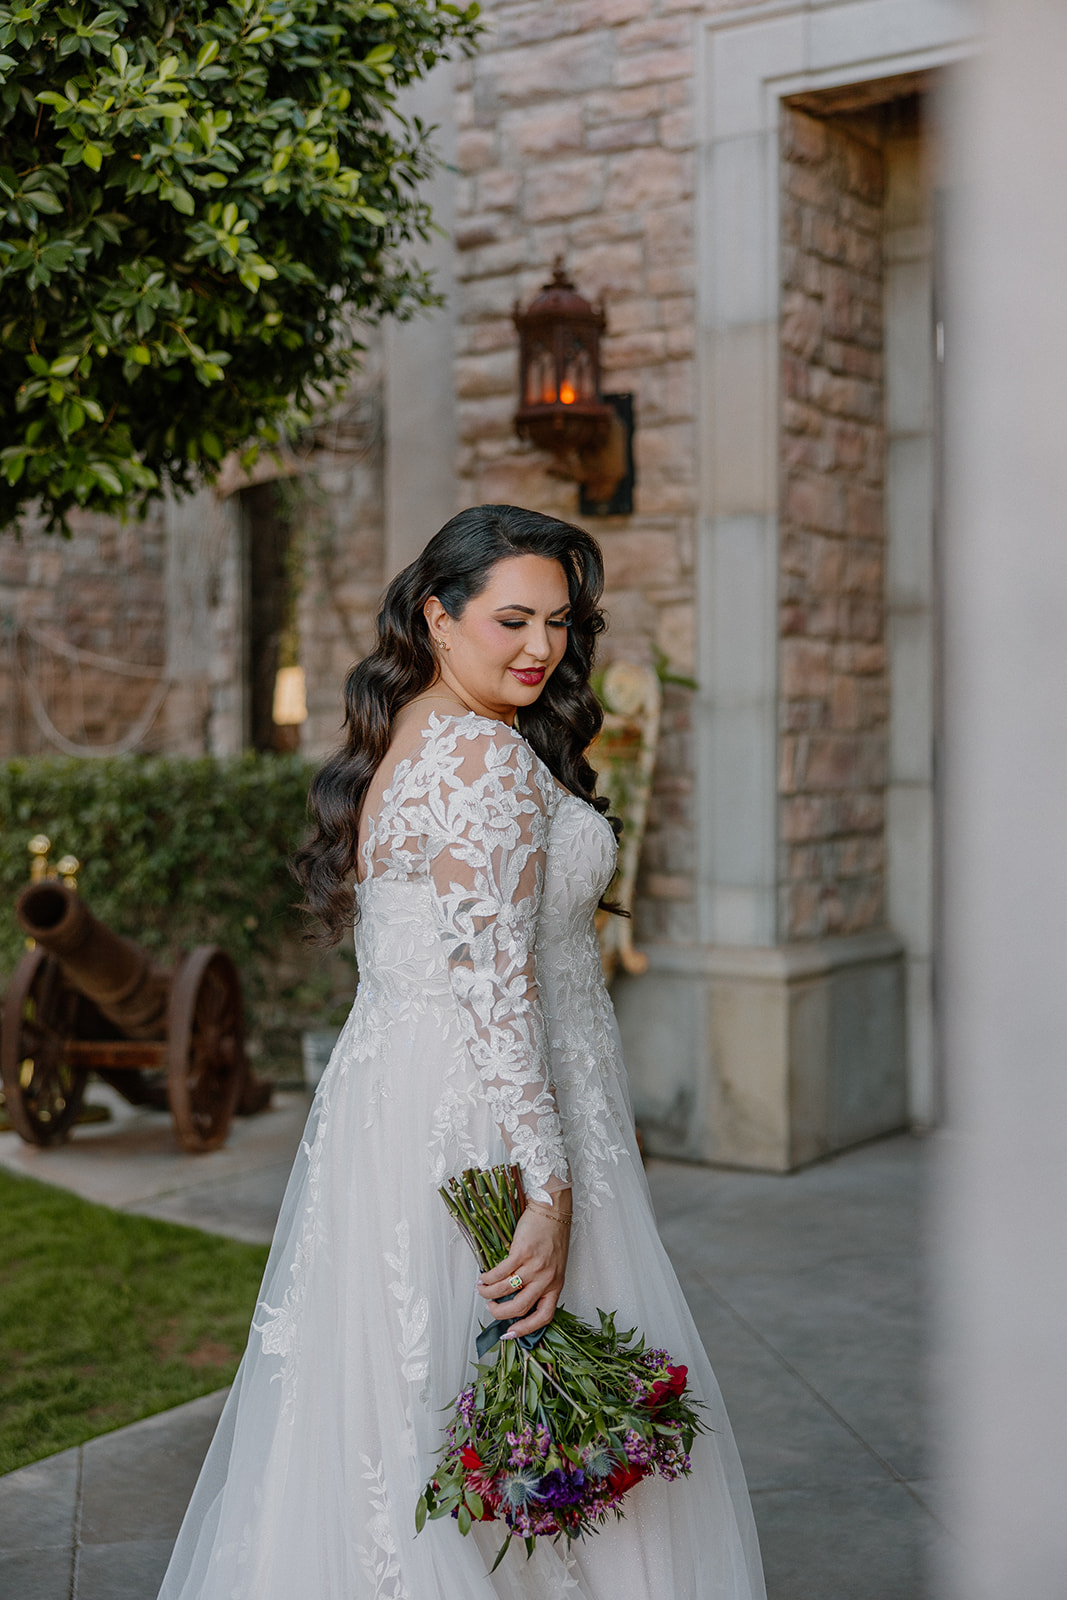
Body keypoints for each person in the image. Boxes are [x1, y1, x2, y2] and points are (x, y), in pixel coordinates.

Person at [158, 504, 766, 1599]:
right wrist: (548, 1188)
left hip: (407, 1105)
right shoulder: (481, 757)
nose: (540, 648)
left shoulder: (419, 736)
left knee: (414, 1406)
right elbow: (495, 988)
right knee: (507, 1397)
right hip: (490, 1121)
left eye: (559, 624)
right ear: (438, 618)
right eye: (512, 620)